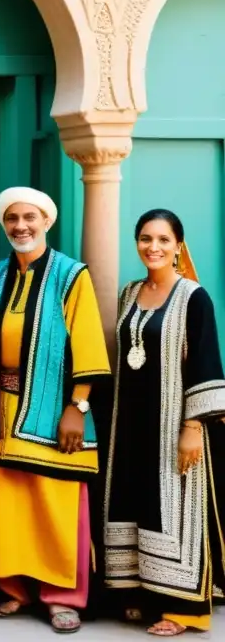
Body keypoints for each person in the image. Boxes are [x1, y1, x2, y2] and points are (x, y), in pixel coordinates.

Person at [0, 186, 111, 634]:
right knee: (9, 504)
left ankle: (62, 596)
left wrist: (78, 404)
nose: (21, 226)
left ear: (47, 222)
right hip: (1, 408)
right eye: (12, 219)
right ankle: (15, 589)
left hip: (56, 408)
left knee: (55, 501)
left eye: (30, 217)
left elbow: (86, 341)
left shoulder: (72, 275)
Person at [103, 209, 225, 637]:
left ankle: (182, 607)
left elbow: (207, 360)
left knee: (173, 508)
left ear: (178, 245)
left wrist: (193, 428)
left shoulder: (194, 296)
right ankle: (137, 592)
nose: (152, 247)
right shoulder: (129, 293)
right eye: (144, 238)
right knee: (133, 501)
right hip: (131, 423)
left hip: (175, 421)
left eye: (162, 239)